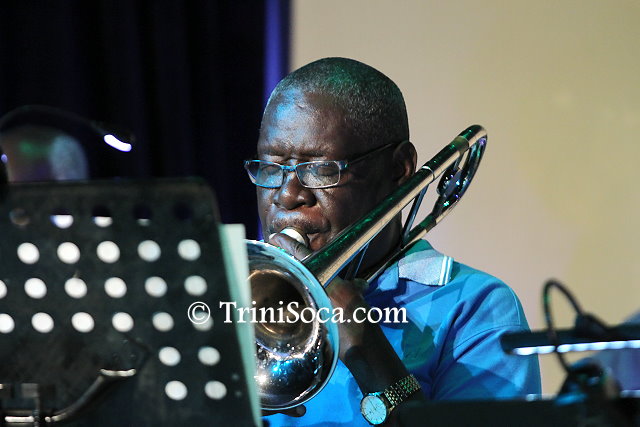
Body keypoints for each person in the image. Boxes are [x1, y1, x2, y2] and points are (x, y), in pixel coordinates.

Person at [245, 57, 541, 426]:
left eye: (319, 169)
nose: (288, 195)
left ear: (399, 169)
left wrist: (366, 350)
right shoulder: (235, 297)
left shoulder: (478, 308)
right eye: (271, 168)